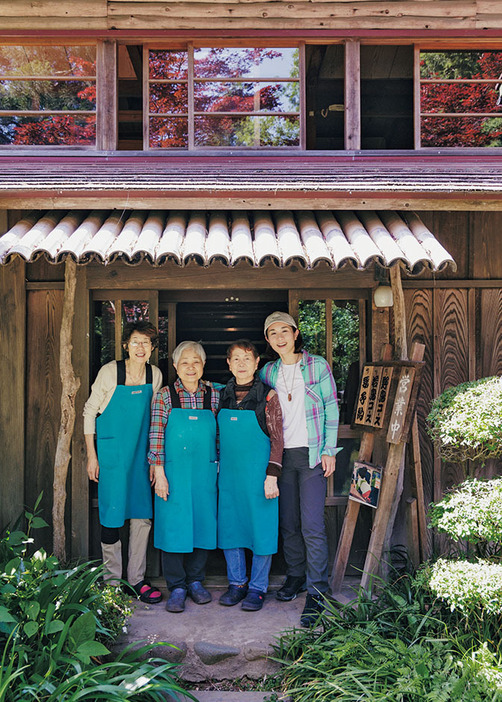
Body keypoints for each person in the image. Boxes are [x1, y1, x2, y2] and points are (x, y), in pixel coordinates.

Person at [259, 311, 340, 627]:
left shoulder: (316, 365)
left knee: (312, 525)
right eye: (273, 333)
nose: (280, 337)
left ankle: (318, 591)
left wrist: (329, 449)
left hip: (311, 456)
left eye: (284, 331)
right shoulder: (268, 372)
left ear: (295, 333)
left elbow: (331, 406)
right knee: (288, 522)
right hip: (281, 458)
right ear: (268, 340)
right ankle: (296, 577)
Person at [84, 321, 163, 604]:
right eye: (136, 341)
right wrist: (92, 457)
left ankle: (137, 579)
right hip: (112, 456)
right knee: (111, 516)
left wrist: (156, 461)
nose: (141, 347)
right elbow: (90, 411)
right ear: (126, 345)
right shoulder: (110, 372)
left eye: (147, 342)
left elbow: (155, 419)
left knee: (142, 516)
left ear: (153, 348)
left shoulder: (155, 375)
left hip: (141, 456)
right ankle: (112, 583)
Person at [148, 341, 219, 613]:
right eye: (185, 362)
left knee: (202, 523)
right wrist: (159, 473)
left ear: (203, 366)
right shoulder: (165, 396)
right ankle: (176, 585)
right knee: (173, 526)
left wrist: (220, 465)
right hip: (173, 473)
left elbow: (221, 434)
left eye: (196, 362)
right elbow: (155, 438)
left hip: (204, 471)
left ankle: (196, 582)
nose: (191, 367)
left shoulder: (214, 395)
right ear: (175, 366)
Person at [217, 340, 283, 612]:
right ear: (229, 364)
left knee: (262, 530)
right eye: (236, 359)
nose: (241, 364)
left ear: (257, 363)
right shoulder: (220, 395)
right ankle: (237, 584)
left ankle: (257, 587)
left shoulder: (269, 396)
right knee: (231, 529)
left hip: (260, 476)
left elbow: (278, 439)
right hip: (229, 475)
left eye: (247, 358)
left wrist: (272, 474)